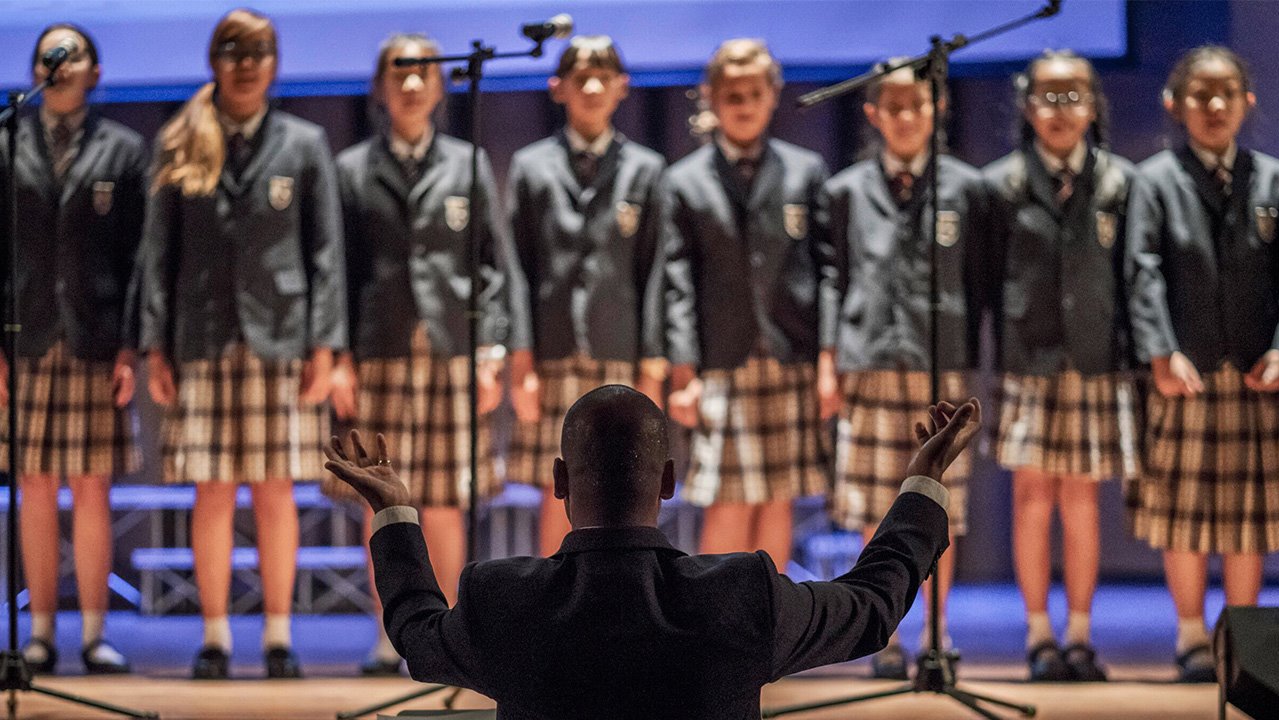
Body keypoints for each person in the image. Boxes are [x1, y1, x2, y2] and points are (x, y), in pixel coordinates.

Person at [325, 386, 977, 720]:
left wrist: (392, 511)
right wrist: (923, 485)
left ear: (558, 482)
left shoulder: (504, 599)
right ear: (668, 481)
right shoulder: (740, 593)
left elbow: (415, 631)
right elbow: (870, 606)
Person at [138, 8, 345, 679]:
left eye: (259, 50)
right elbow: (157, 254)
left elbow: (326, 253)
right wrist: (154, 347)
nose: (247, 61)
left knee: (277, 491)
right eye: (233, 49)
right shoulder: (181, 137)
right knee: (213, 493)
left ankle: (280, 635)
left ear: (275, 63)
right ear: (214, 61)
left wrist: (326, 346)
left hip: (281, 342)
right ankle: (216, 636)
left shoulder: (304, 143)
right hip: (199, 339)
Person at [326, 32, 520, 675]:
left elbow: (493, 266)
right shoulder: (352, 168)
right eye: (398, 72)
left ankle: (454, 630)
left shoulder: (467, 163)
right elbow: (337, 271)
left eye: (422, 73)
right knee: (381, 495)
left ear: (440, 87)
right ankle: (393, 633)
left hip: (450, 351)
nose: (411, 83)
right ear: (381, 86)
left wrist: (492, 349)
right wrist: (338, 355)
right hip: (377, 350)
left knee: (444, 495)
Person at [820, 58, 989, 679]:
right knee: (873, 502)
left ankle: (936, 631)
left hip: (941, 368)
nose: (906, 118)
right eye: (892, 107)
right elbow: (834, 279)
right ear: (873, 115)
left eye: (917, 105)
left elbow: (981, 282)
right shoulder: (845, 190)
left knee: (944, 502)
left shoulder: (966, 189)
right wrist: (831, 358)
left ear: (937, 109)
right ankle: (882, 633)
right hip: (869, 363)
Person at [1125, 45, 1279, 683]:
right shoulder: (1153, 180)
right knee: (1184, 512)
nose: (1213, 106)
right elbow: (1142, 271)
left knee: (1247, 516)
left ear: (1247, 101)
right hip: (1183, 372)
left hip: (1256, 373)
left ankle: (1241, 640)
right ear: (1174, 104)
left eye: (1225, 94)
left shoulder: (1272, 179)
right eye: (1199, 95)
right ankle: (1191, 637)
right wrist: (1161, 352)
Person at [983, 50, 1138, 682]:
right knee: (1031, 497)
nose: (1060, 109)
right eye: (1047, 96)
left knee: (1082, 500)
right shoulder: (1000, 185)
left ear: (1095, 106)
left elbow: (1133, 277)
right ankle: (1038, 634)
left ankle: (1079, 634)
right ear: (1026, 107)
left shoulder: (1120, 182)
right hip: (1029, 360)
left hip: (1097, 360)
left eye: (1074, 95)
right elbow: (986, 279)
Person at [1, 22, 146, 675]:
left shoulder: (123, 150)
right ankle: (37, 635)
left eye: (73, 53)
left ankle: (93, 634)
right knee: (32, 484)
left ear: (94, 73)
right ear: (35, 74)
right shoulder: (5, 142)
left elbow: (141, 256)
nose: (59, 63)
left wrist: (131, 347)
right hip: (23, 335)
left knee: (92, 485)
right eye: (48, 56)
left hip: (96, 335)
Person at [662, 39, 832, 567]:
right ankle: (718, 630)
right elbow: (676, 283)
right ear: (710, 98)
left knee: (777, 497)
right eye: (731, 93)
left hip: (790, 355)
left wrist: (828, 359)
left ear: (773, 96)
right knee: (727, 498)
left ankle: (767, 626)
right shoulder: (684, 181)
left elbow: (829, 272)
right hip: (722, 359)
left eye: (753, 92)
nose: (743, 103)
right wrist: (683, 373)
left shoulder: (806, 171)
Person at [505, 35, 667, 556]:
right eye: (581, 78)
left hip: (620, 353)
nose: (592, 87)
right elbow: (516, 271)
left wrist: (654, 366)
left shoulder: (646, 169)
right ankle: (559, 611)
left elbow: (658, 273)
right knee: (558, 491)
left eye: (604, 77)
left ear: (623, 87)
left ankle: (612, 612)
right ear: (558, 89)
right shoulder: (531, 166)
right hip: (551, 355)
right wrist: (521, 362)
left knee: (626, 495)